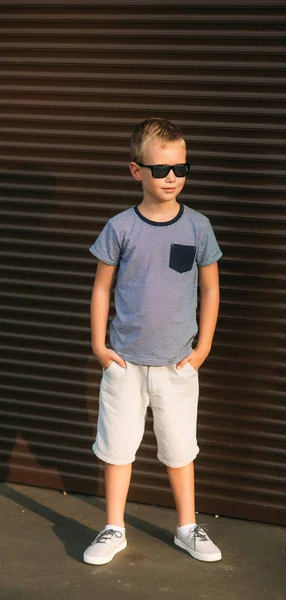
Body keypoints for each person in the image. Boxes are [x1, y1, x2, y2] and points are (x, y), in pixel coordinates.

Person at [84, 117, 223, 565]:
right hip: (124, 363)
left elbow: (210, 289)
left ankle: (186, 526)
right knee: (118, 447)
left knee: (181, 448)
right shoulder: (120, 227)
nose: (171, 178)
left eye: (181, 169)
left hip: (178, 364)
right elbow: (102, 287)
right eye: (161, 169)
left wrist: (201, 351)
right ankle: (113, 527)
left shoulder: (198, 227)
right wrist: (100, 348)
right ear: (135, 170)